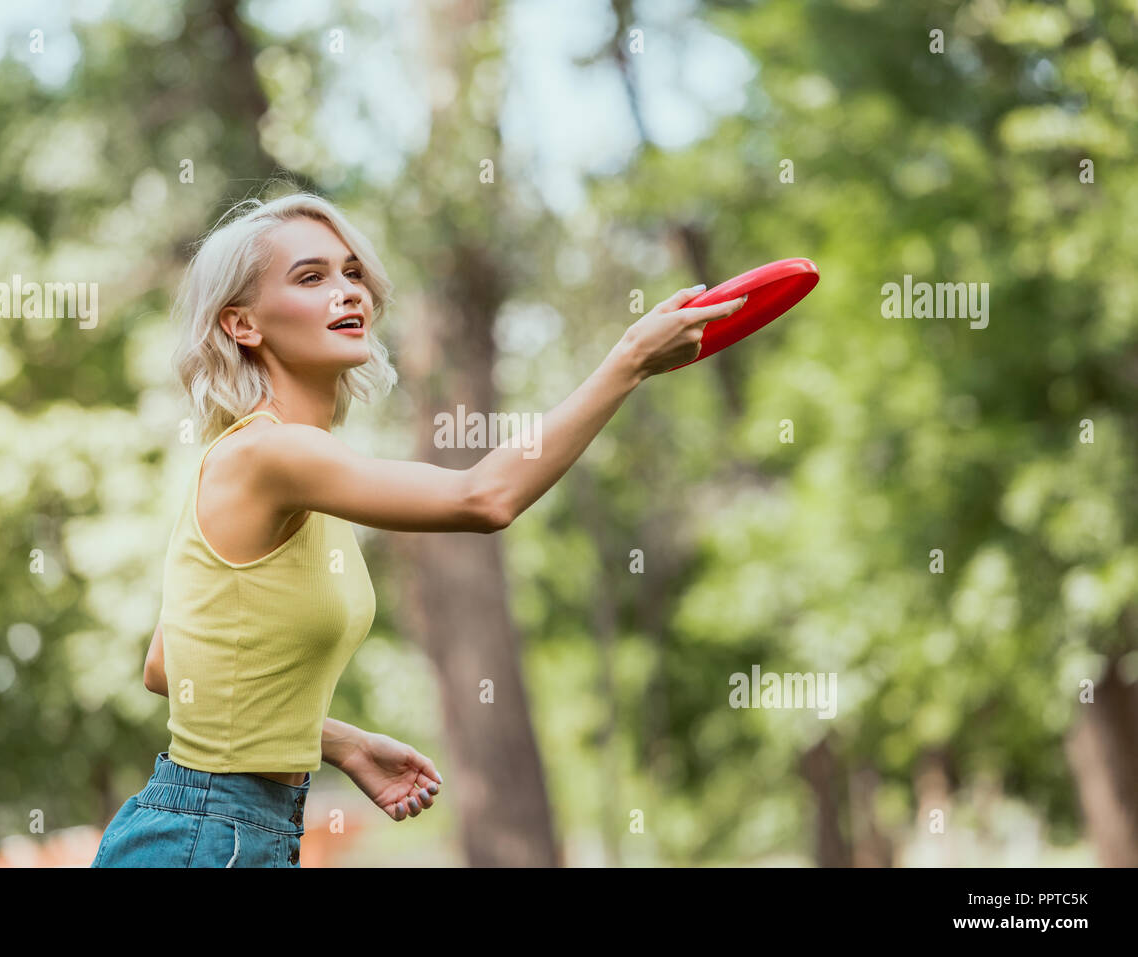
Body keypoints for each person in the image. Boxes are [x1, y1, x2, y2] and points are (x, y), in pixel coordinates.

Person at [91, 189, 745, 868]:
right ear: (242, 324)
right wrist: (628, 361)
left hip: (225, 829)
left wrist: (340, 741)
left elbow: (170, 666)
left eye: (351, 272)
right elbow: (483, 497)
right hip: (207, 837)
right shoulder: (271, 453)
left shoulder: (281, 460)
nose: (347, 292)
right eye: (310, 277)